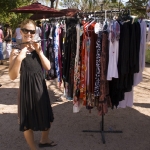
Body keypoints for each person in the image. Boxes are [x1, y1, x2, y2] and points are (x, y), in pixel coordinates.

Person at [9, 19, 57, 150]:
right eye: (26, 30)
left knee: (47, 115)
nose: (29, 34)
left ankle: (44, 139)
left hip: (40, 86)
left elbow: (47, 67)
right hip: (26, 88)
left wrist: (40, 52)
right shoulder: (16, 49)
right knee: (27, 121)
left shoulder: (37, 47)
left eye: (32, 31)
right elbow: (12, 76)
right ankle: (33, 148)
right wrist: (20, 57)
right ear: (21, 30)